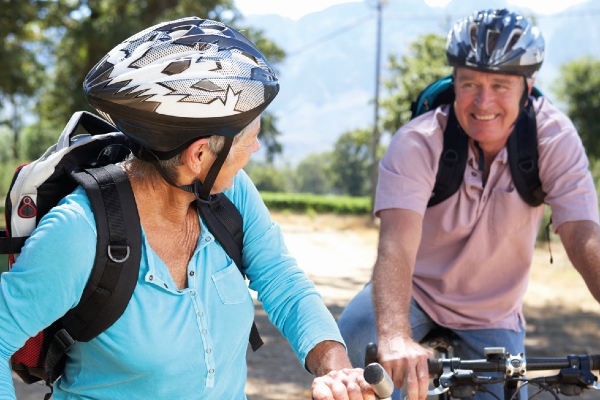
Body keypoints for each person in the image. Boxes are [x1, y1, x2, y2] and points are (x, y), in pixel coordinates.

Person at [0, 17, 376, 400]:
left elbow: (283, 281)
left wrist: (337, 369)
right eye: (251, 138)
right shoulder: (81, 230)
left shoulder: (232, 195)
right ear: (198, 156)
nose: (256, 150)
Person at [337, 8, 600, 400]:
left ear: (528, 88)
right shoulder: (419, 141)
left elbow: (581, 234)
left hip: (492, 311)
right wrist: (393, 335)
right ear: (454, 82)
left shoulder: (554, 139)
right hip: (415, 291)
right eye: (470, 83)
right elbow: (397, 241)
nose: (483, 101)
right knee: (351, 350)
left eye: (500, 85)